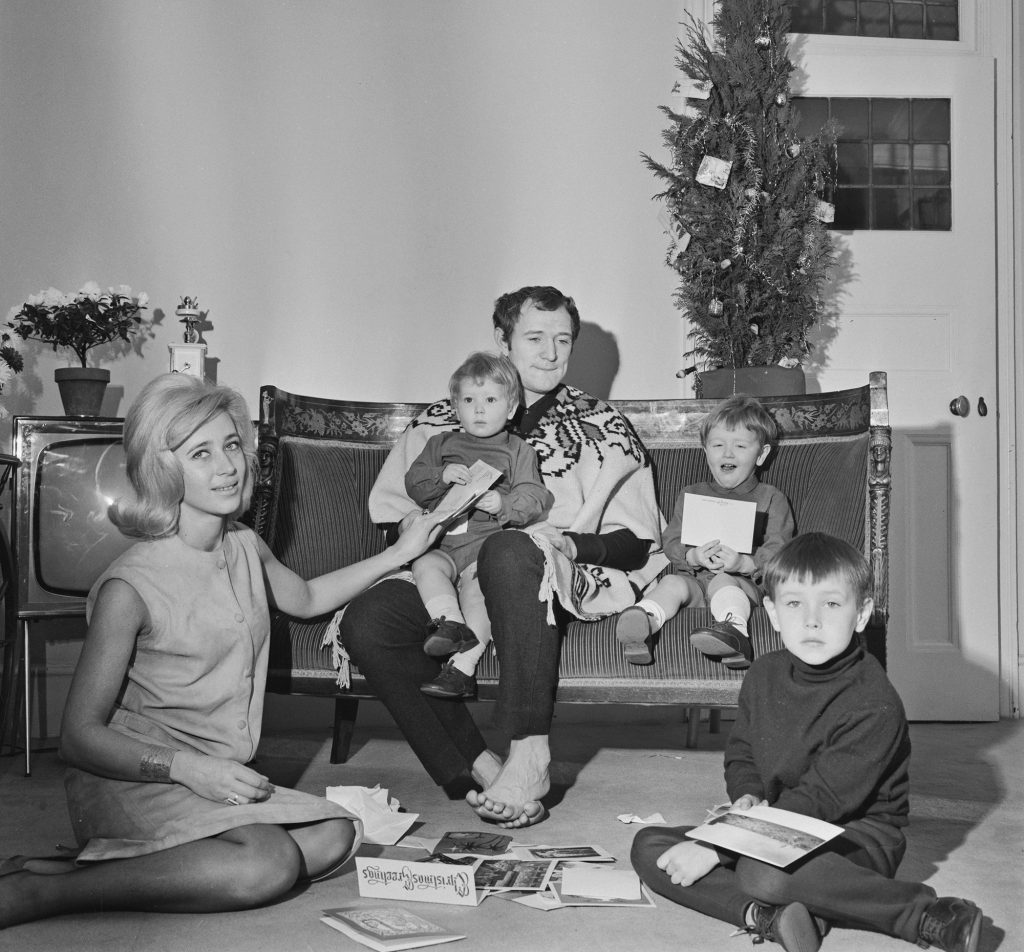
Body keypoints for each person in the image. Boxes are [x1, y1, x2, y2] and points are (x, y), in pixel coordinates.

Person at [0, 373, 445, 930]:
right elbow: (78, 738)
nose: (228, 466)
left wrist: (399, 554)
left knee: (337, 834)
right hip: (135, 778)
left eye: (231, 444)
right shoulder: (128, 587)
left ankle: (90, 868)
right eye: (201, 453)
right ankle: (49, 893)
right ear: (165, 469)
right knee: (267, 862)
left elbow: (305, 598)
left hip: (218, 774)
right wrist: (188, 769)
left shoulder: (244, 546)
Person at [341, 285, 667, 827]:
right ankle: (478, 766)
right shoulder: (441, 420)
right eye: (535, 337)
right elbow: (392, 511)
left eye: (563, 340)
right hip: (447, 562)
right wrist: (425, 528)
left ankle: (530, 751)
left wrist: (571, 542)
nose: (550, 352)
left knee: (511, 549)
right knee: (368, 621)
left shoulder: (603, 424)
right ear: (502, 339)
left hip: (550, 570)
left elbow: (637, 543)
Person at [629, 533, 984, 952]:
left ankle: (921, 913)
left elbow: (823, 799)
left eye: (831, 604)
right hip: (777, 819)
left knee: (763, 873)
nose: (812, 620)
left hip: (856, 836)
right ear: (774, 613)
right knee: (651, 845)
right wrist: (747, 797)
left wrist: (719, 847)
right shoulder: (763, 674)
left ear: (861, 613)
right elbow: (742, 752)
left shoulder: (874, 702)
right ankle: (770, 916)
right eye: (795, 604)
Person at [406, 351, 552, 699]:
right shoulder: (440, 444)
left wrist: (504, 504)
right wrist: (440, 475)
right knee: (424, 564)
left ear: (512, 406)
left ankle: (461, 670)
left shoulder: (517, 450)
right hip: (442, 543)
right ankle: (448, 622)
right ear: (456, 407)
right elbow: (414, 483)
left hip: (483, 551)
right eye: (469, 400)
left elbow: (534, 497)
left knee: (478, 596)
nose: (479, 409)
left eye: (490, 399)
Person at [616, 393, 793, 669]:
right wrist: (693, 556)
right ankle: (643, 624)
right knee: (671, 584)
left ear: (762, 455)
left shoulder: (771, 498)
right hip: (697, 583)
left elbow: (780, 549)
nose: (728, 453)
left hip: (742, 586)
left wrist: (745, 563)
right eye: (718, 444)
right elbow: (671, 539)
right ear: (705, 450)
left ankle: (735, 633)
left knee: (723, 579)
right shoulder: (690, 494)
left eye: (741, 446)